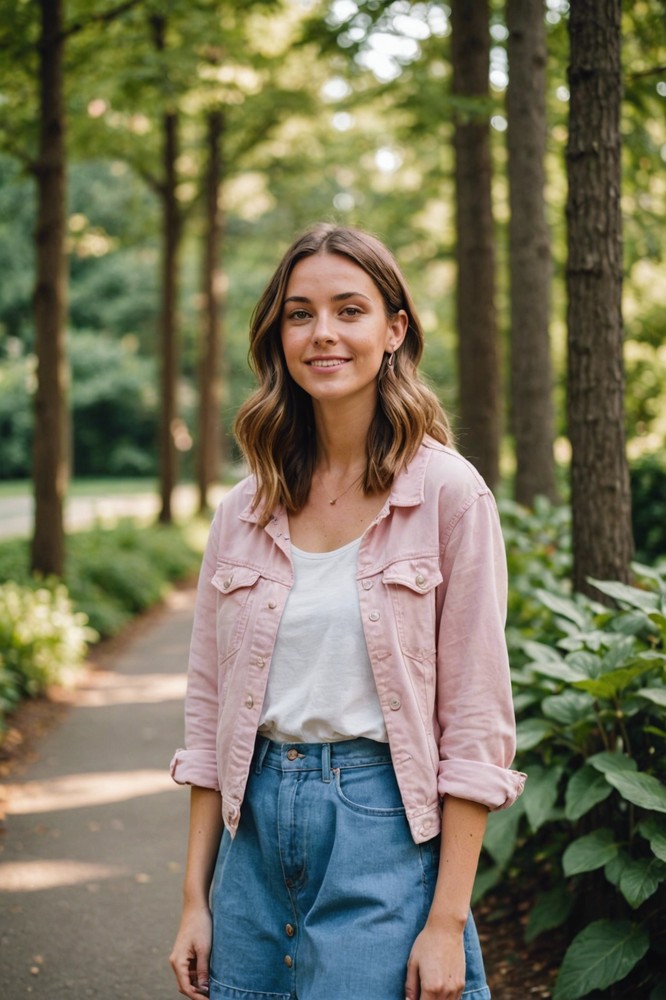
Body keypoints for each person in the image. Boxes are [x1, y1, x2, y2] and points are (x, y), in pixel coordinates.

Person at [169, 223, 525, 1000]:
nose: (322, 333)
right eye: (299, 314)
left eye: (349, 309)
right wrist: (196, 899)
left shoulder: (448, 496)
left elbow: (476, 724)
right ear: (278, 335)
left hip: (384, 831)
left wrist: (445, 922)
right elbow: (209, 716)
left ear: (394, 330)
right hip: (249, 839)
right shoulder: (243, 512)